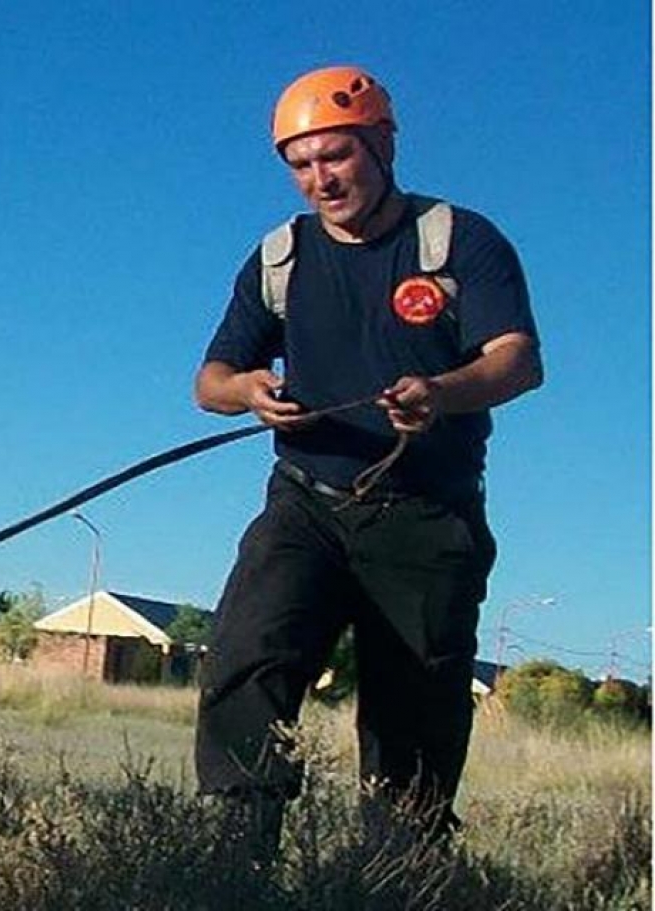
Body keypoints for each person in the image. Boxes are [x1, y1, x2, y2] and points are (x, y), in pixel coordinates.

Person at [192, 65, 543, 859]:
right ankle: (233, 870)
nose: (320, 178)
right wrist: (248, 388)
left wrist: (443, 392)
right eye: (302, 164)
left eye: (336, 157)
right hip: (304, 504)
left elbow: (519, 360)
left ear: (381, 145)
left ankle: (392, 878)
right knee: (246, 661)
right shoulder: (280, 257)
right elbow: (208, 382)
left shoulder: (459, 241)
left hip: (426, 515)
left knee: (411, 724)